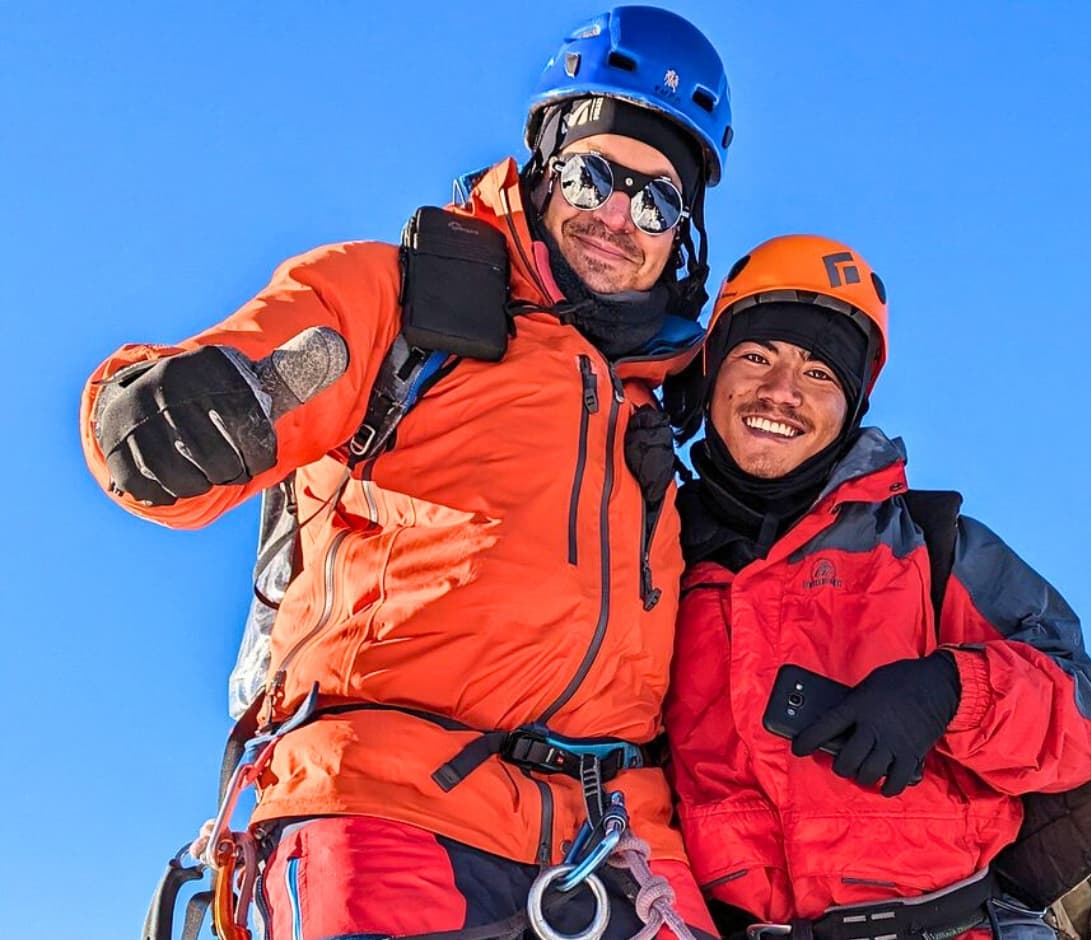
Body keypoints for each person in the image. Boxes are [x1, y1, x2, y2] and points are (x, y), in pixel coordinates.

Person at [79, 7, 733, 940]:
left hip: (617, 843)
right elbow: (252, 377)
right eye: (595, 175)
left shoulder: (668, 401)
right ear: (545, 167)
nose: (619, 218)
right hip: (390, 803)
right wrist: (154, 415)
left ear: (686, 233)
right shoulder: (405, 302)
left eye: (658, 199)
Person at [663, 235, 1091, 940]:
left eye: (820, 374)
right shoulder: (652, 565)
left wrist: (951, 690)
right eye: (757, 357)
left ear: (850, 408)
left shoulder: (932, 545)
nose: (782, 392)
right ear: (710, 376)